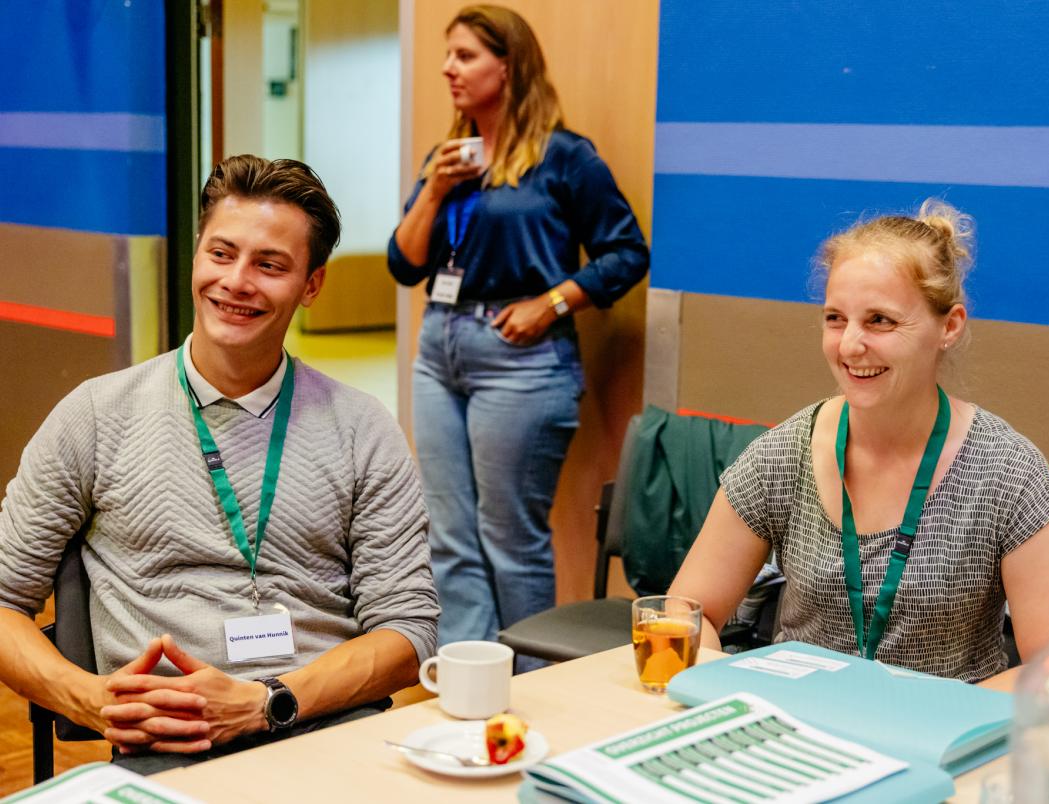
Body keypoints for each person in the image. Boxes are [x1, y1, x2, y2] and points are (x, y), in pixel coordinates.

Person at [0, 155, 439, 772]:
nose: (236, 281)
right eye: (221, 253)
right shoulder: (95, 416)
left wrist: (269, 703)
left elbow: (408, 630)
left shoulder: (363, 429)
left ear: (311, 285)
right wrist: (91, 700)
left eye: (270, 264)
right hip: (172, 747)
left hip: (330, 727)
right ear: (196, 256)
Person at [669, 200, 1049, 683]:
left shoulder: (1008, 473)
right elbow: (684, 613)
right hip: (801, 733)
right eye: (836, 318)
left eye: (880, 320)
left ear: (949, 325)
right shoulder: (784, 455)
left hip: (944, 745)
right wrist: (731, 695)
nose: (849, 345)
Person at [387, 4, 649, 665]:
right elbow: (404, 262)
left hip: (520, 359)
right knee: (449, 535)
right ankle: (467, 673)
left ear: (508, 66)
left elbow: (626, 252)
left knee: (509, 538)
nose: (449, 68)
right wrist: (434, 189)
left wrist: (552, 303)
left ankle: (533, 682)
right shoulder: (448, 160)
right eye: (446, 55)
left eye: (465, 55)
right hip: (439, 346)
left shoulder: (565, 158)